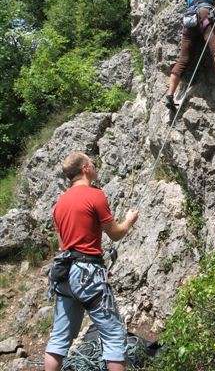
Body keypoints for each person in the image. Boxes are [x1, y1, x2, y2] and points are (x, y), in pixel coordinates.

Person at [44, 151, 138, 371]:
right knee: (114, 336)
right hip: (88, 272)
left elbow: (63, 246)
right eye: (92, 163)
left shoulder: (59, 204)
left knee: (58, 339)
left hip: (65, 274)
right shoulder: (95, 195)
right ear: (85, 169)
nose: (96, 166)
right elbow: (115, 233)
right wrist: (130, 220)